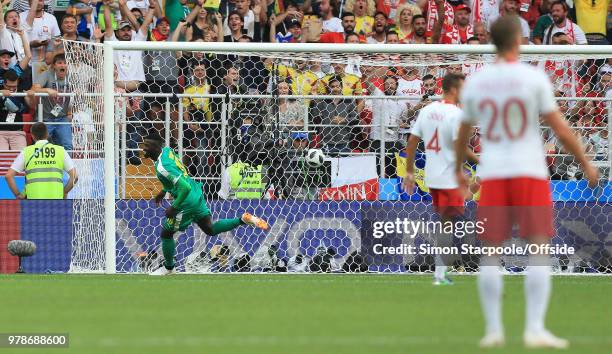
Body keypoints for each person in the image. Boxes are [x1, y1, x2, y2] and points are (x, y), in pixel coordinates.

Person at [455, 16, 598, 349]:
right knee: (538, 251)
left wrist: (458, 170)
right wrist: (586, 163)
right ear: (519, 40)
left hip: (493, 172)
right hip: (530, 171)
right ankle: (534, 328)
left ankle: (493, 330)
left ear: (492, 41)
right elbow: (561, 130)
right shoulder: (533, 78)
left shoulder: (477, 82)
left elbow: (462, 134)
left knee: (490, 254)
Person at [143, 133, 269, 276]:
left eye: (147, 145)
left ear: (155, 146)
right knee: (210, 229)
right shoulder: (167, 152)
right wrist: (164, 190)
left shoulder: (162, 167)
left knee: (166, 233)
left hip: (186, 201)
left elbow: (184, 187)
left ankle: (169, 268)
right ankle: (243, 219)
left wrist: (175, 206)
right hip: (196, 194)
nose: (144, 149)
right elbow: (178, 174)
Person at [403, 72, 478, 285]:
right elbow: (460, 147)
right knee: (448, 224)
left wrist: (409, 171)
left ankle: (442, 270)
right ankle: (440, 273)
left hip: (433, 176)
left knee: (448, 222)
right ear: (454, 89)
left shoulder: (427, 110)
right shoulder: (456, 114)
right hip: (449, 177)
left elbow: (412, 142)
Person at [5, 122, 78, 199]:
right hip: (57, 200)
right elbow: (75, 177)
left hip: (33, 200)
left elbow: (8, 176)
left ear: (32, 136)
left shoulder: (26, 151)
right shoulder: (60, 150)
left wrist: (18, 195)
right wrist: (65, 191)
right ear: (47, 134)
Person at [31, 53, 72, 151]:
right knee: (41, 146)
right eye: (59, 63)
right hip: (46, 118)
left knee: (67, 145)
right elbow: (33, 89)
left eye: (65, 63)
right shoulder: (46, 74)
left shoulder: (72, 77)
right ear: (53, 66)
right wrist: (47, 90)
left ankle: (67, 166)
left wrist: (70, 112)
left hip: (62, 118)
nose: (62, 65)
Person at [0, 69, 33, 151]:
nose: (11, 89)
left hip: (17, 132)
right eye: (9, 86)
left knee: (21, 156)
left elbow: (33, 107)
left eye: (14, 86)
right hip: (0, 132)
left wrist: (31, 97)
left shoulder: (22, 92)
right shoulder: (0, 91)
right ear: (4, 83)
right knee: (2, 156)